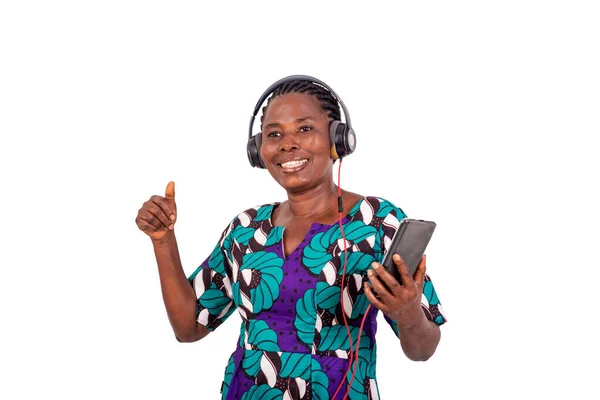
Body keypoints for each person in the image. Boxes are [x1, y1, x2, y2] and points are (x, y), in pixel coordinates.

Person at [135, 76, 447, 400]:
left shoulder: (378, 222)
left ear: (337, 140)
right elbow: (189, 327)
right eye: (274, 134)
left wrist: (409, 313)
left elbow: (422, 349)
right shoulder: (246, 228)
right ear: (259, 150)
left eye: (304, 128)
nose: (287, 143)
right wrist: (163, 240)